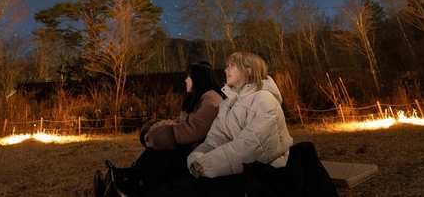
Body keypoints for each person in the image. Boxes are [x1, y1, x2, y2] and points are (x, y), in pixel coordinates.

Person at [129, 52, 337, 197]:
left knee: (192, 190)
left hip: (263, 172)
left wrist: (207, 163)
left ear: (248, 70)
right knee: (183, 185)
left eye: (231, 65)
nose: (226, 69)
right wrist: (198, 157)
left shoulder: (264, 100)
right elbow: (214, 139)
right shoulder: (229, 104)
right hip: (230, 167)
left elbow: (252, 146)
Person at [94, 61, 227, 197]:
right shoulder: (198, 99)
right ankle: (127, 178)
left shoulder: (212, 99)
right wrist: (154, 130)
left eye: (189, 76)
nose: (185, 80)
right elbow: (178, 122)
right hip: (189, 151)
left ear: (199, 78)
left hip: (196, 155)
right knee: (163, 146)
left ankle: (130, 180)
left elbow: (194, 129)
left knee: (167, 148)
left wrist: (163, 135)